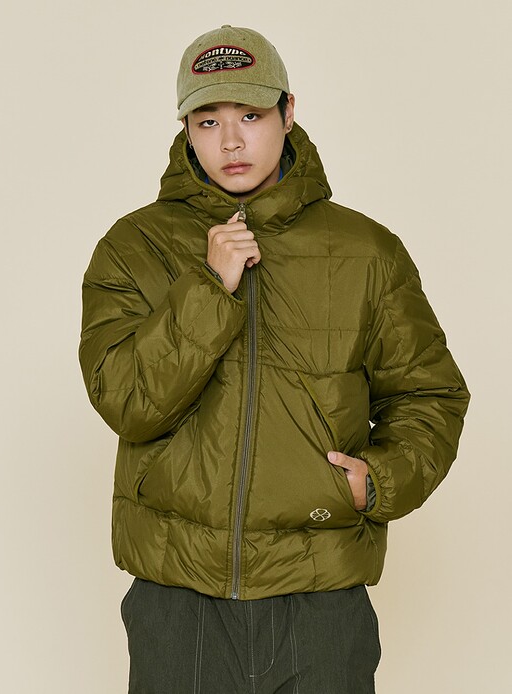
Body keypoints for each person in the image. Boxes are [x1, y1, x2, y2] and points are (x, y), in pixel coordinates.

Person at [79, 25, 469, 694]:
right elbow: (128, 402)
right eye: (209, 120)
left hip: (321, 596)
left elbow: (430, 395)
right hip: (179, 598)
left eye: (251, 116)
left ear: (288, 113)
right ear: (186, 129)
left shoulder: (367, 252)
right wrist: (210, 286)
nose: (231, 141)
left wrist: (375, 482)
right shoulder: (132, 247)